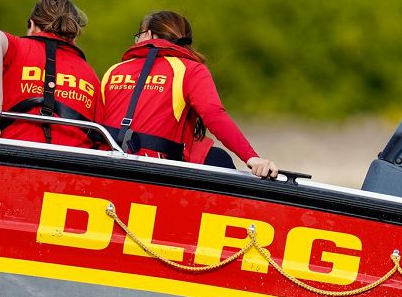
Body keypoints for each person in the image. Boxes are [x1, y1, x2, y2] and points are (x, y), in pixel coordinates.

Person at [99, 10, 278, 178]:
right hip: (158, 171)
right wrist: (251, 158)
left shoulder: (114, 71)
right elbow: (214, 115)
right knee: (218, 158)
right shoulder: (191, 69)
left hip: (105, 165)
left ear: (149, 34)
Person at [0, 0, 102, 148]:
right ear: (73, 36)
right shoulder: (90, 74)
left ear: (32, 25)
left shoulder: (17, 49)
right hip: (71, 167)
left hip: (18, 159)